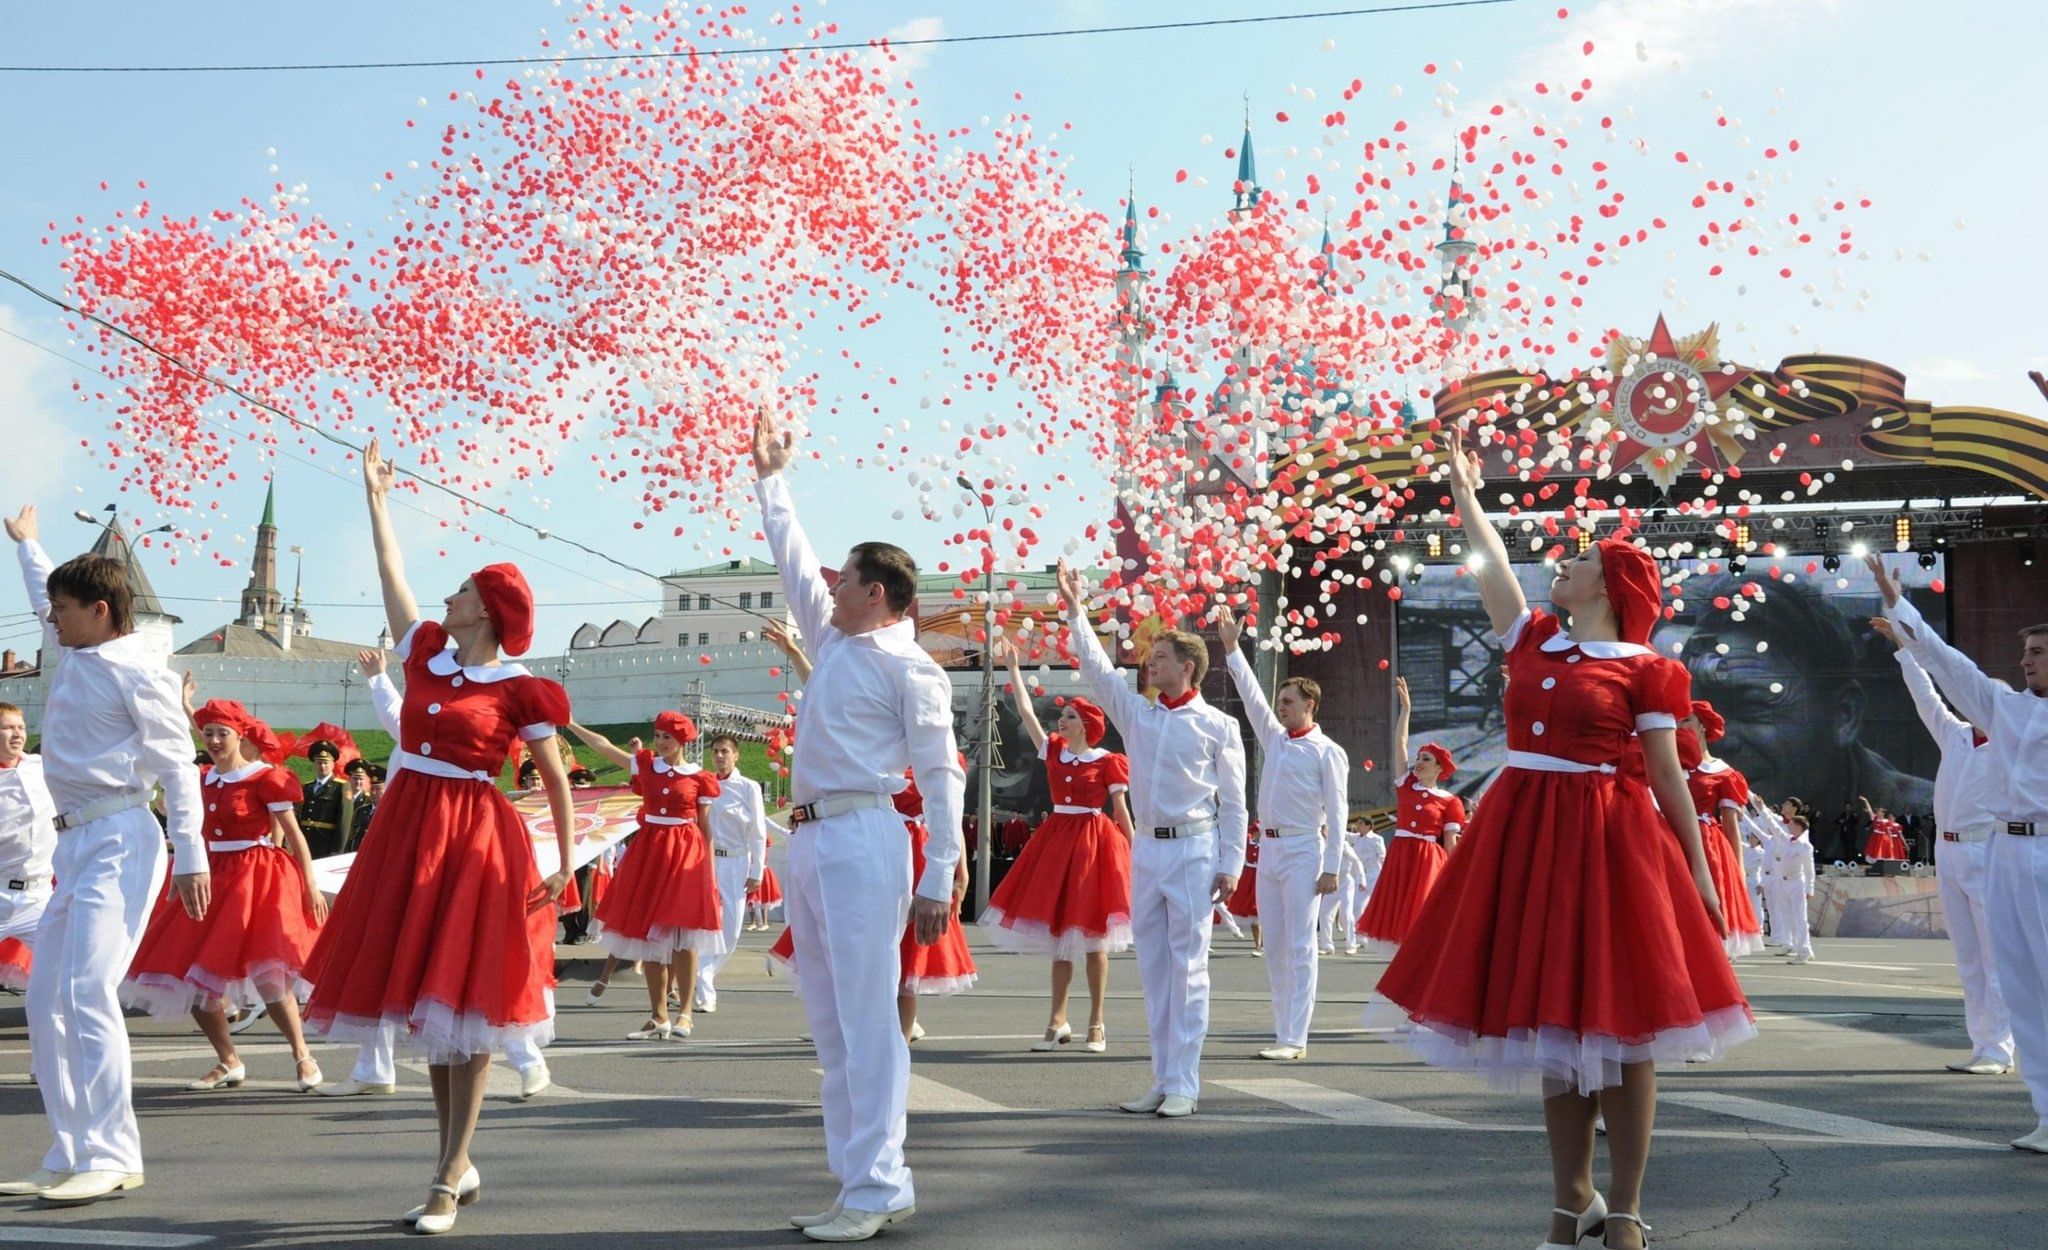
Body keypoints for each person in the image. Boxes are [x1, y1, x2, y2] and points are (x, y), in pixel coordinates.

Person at [1370, 431, 1750, 1250]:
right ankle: (1569, 1198)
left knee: (1625, 1026)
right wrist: (1468, 496)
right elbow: (1494, 568)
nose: (1559, 566)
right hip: (1524, 836)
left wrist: (1700, 871)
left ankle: (1628, 1207)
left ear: (1611, 584)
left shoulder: (1649, 669)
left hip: (1611, 842)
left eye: (1577, 562)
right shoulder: (1537, 638)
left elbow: (1668, 779)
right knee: (1551, 1022)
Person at [298, 440, 573, 1233]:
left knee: (470, 1001)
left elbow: (554, 778)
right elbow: (394, 582)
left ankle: (451, 1170)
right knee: (430, 1004)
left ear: (484, 608)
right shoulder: (423, 653)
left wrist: (558, 866)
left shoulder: (520, 690)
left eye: (459, 592)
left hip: (477, 838)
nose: (443, 599)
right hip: (409, 828)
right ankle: (451, 1159)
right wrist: (376, 500)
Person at [752, 408, 964, 1242]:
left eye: (845, 581)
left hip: (867, 836)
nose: (828, 588)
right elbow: (792, 556)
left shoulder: (914, 670)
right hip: (809, 838)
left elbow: (942, 775)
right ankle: (860, 1181)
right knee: (832, 1021)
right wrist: (772, 477)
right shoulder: (834, 640)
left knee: (871, 1018)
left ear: (876, 593)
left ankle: (879, 1185)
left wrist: (941, 875)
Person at [0, 505, 204, 1205]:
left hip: (122, 834)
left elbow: (179, 765)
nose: (48, 619)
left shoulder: (138, 667)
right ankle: (69, 1149)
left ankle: (114, 1153)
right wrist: (30, 545)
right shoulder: (80, 650)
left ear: (100, 609)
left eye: (61, 608)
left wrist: (191, 853)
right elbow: (40, 593)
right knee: (46, 999)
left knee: (87, 992)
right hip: (76, 841)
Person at [1056, 557, 1249, 1119]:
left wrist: (1231, 863)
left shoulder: (1219, 725)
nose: (1149, 663)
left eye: (1160, 658)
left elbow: (1234, 801)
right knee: (1154, 969)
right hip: (1148, 849)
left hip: (1194, 846)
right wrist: (1073, 609)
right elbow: (1095, 668)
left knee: (1189, 967)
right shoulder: (1139, 716)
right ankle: (1163, 1078)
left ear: (1187, 667)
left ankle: (1186, 1082)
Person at [1869, 553, 2048, 1150]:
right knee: (2020, 984)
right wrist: (1900, 612)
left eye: (2039, 653)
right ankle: (2046, 1114)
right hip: (2004, 852)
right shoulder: (2002, 707)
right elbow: (1948, 668)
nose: (2026, 661)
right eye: (2026, 653)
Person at [122, 688, 326, 1092]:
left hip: (256, 879)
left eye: (223, 734)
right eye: (209, 734)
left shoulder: (265, 778)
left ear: (240, 736)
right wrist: (182, 708)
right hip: (209, 876)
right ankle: (228, 1059)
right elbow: (173, 811)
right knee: (195, 977)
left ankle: (302, 1053)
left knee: (270, 978)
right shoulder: (199, 779)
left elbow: (295, 837)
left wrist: (310, 886)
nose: (214, 742)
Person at [1873, 614, 2013, 1074]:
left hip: (1989, 850)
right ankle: (1982, 1044)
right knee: (1969, 958)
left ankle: (2001, 1048)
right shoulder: (1954, 734)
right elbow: (1925, 696)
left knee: (1995, 958)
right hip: (1948, 852)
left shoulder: (2014, 743)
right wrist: (1903, 648)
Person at [980, 639, 1135, 1054]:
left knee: (1094, 937)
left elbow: (1120, 810)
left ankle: (1097, 1022)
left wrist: (1138, 853)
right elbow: (1029, 714)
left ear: (1086, 722)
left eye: (1068, 716)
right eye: (1062, 716)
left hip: (1094, 843)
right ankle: (1057, 1021)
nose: (1060, 721)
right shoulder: (1055, 752)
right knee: (1061, 936)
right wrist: (1012, 670)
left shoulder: (1107, 761)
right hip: (1056, 841)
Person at [1216, 606, 1349, 1061]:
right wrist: (1233, 648)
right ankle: (1282, 1032)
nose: (1280, 706)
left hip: (1303, 849)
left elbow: (1339, 809)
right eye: (1282, 700)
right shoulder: (1275, 738)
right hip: (1268, 848)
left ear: (1309, 705)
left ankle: (1296, 1038)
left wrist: (1332, 867)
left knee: (1298, 944)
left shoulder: (1327, 751)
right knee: (1274, 945)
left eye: (1288, 701)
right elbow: (1252, 697)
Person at [564, 715, 723, 1041]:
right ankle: (658, 1016)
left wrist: (708, 872)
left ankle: (685, 1013)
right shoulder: (646, 765)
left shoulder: (699, 778)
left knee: (683, 936)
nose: (661, 742)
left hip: (684, 854)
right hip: (648, 853)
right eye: (658, 735)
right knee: (646, 936)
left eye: (667, 737)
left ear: (683, 741)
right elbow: (604, 747)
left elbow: (705, 828)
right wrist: (571, 724)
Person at [1356, 677, 1466, 953]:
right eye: (1419, 757)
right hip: (1402, 853)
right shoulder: (1406, 785)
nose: (1419, 761)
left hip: (1428, 858)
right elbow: (1400, 743)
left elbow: (1451, 843)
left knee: (1423, 911)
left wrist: (1457, 875)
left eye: (1426, 759)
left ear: (1440, 768)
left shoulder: (1450, 801)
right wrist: (1406, 710)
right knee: (1398, 910)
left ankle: (1423, 962)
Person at [1681, 701, 1767, 958]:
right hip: (1669, 836)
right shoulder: (1667, 764)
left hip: (1707, 843)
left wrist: (1738, 869)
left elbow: (1731, 826)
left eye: (1686, 720)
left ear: (1702, 727)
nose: (1679, 726)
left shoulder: (1723, 773)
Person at [695, 730, 769, 1014]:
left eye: (725, 751)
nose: (720, 756)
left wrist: (757, 870)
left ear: (736, 755)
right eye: (715, 751)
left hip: (737, 862)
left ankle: (706, 975)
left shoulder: (748, 787)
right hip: (707, 861)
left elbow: (758, 832)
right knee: (704, 924)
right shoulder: (705, 783)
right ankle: (704, 987)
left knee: (733, 928)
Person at [0, 702, 56, 996]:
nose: (17, 734)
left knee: (59, 975)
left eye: (20, 727)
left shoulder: (40, 767)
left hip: (38, 897)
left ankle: (59, 1041)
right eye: (7, 727)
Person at [1767, 814, 1817, 963]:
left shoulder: (1804, 845)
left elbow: (1809, 870)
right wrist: (1760, 807)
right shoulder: (1787, 840)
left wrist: (1810, 889)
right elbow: (1774, 827)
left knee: (1800, 918)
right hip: (1785, 883)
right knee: (1788, 916)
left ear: (1799, 827)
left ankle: (1804, 950)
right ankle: (1802, 947)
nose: (1789, 826)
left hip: (1797, 883)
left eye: (1792, 824)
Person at [297, 739, 348, 859]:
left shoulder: (341, 787)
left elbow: (344, 822)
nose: (322, 766)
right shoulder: (306, 787)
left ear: (333, 764)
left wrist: (337, 851)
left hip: (327, 845)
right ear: (313, 764)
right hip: (305, 845)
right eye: (319, 762)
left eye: (326, 762)